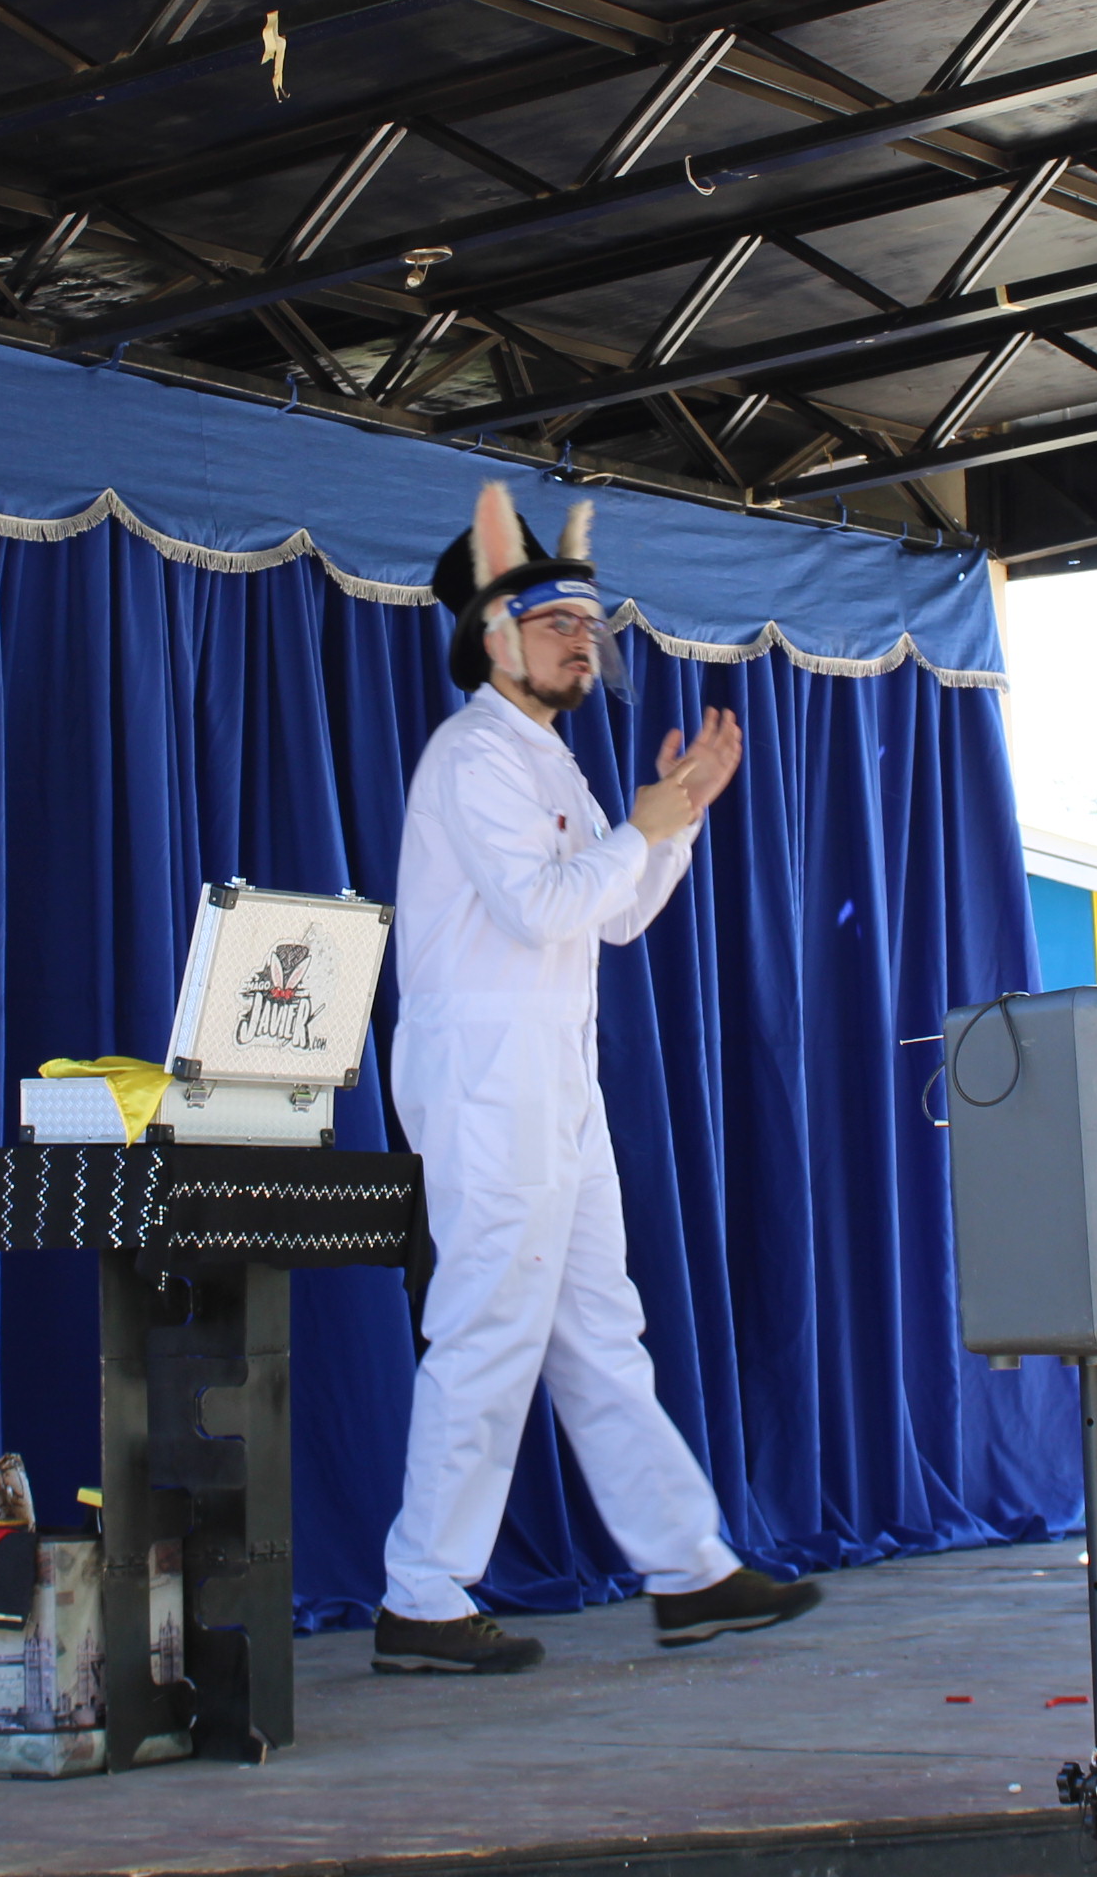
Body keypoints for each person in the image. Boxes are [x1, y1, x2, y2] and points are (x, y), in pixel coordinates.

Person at [370, 482, 822, 1676]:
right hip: (488, 1079)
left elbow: (613, 922)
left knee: (599, 1330)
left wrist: (671, 826)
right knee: (485, 1325)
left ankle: (691, 1569)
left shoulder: (550, 761)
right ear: (493, 637)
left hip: (554, 1077)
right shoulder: (473, 755)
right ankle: (421, 1591)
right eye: (557, 622)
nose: (583, 638)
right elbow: (539, 908)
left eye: (588, 623)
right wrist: (647, 825)